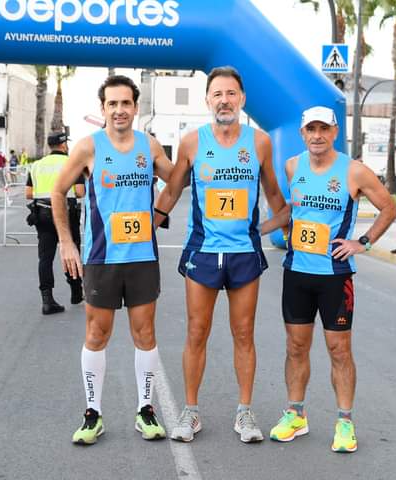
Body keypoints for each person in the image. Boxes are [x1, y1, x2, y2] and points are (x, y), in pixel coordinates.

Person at [153, 66, 287, 443]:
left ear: (241, 99)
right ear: (207, 100)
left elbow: (276, 198)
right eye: (217, 94)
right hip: (203, 252)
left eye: (231, 94)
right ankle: (190, 411)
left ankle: (244, 412)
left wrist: (272, 227)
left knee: (243, 333)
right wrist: (147, 228)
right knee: (197, 331)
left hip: (244, 253)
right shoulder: (191, 143)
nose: (224, 100)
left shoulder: (260, 142)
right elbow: (172, 191)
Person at [256, 106, 395, 452]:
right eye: (311, 129)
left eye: (324, 129)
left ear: (334, 132)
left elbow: (388, 207)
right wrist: (258, 230)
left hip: (334, 275)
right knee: (295, 346)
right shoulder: (293, 166)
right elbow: (292, 210)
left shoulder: (354, 171)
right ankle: (295, 414)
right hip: (297, 272)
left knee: (339, 349)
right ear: (302, 133)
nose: (317, 135)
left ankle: (345, 422)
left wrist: (362, 243)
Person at [52, 75, 175, 445]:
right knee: (97, 334)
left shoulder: (149, 145)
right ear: (103, 108)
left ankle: (145, 410)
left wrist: (157, 215)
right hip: (101, 257)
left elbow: (177, 180)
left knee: (145, 333)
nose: (119, 110)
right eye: (113, 103)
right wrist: (66, 243)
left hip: (142, 257)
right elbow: (57, 190)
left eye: (126, 103)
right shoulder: (88, 147)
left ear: (135, 108)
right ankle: (93, 414)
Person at [25, 132, 84, 315]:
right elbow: (80, 191)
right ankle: (76, 292)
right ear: (64, 145)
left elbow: (28, 193)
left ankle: (47, 300)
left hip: (42, 213)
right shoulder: (72, 163)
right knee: (72, 250)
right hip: (66, 212)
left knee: (45, 257)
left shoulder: (37, 165)